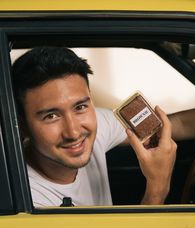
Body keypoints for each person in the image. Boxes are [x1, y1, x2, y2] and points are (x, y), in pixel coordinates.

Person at [12, 46, 177, 207]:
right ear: (22, 125)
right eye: (51, 116)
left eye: (80, 107)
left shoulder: (96, 123)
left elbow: (182, 124)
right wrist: (158, 186)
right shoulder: (29, 200)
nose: (74, 132)